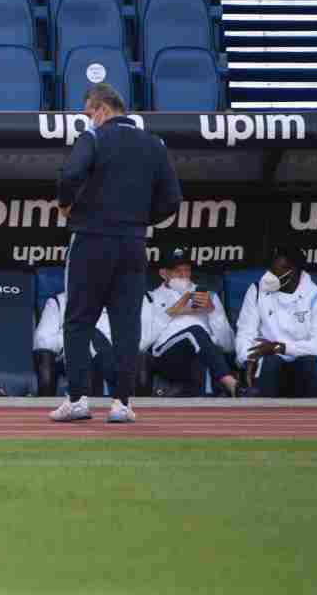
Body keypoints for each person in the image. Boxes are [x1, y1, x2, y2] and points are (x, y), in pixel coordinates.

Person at [51, 84, 182, 424]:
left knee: (78, 321)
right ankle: (121, 404)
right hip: (133, 243)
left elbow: (70, 175)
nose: (87, 120)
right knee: (127, 325)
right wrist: (139, 220)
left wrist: (66, 205)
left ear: (103, 110)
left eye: (88, 114)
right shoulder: (155, 145)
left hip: (91, 240)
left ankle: (78, 400)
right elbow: (172, 200)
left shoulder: (93, 139)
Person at [140, 246, 238, 397]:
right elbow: (143, 343)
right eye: (178, 271)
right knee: (195, 331)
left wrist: (212, 312)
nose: (184, 276)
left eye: (187, 270)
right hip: (166, 355)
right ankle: (231, 383)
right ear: (163, 273)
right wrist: (172, 312)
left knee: (197, 336)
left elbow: (228, 345)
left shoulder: (207, 295)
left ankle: (212, 391)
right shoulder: (150, 298)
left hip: (203, 355)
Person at [235, 244, 317, 397]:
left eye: (277, 270)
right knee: (267, 362)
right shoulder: (257, 290)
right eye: (270, 269)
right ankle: (258, 418)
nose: (269, 276)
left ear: (294, 271)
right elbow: (245, 332)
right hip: (269, 360)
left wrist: (281, 347)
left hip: (302, 360)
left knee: (313, 362)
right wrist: (247, 358)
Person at [34, 292, 116, 397]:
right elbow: (42, 341)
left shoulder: (117, 303)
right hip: (68, 358)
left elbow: (132, 339)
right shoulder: (58, 302)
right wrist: (77, 338)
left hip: (108, 358)